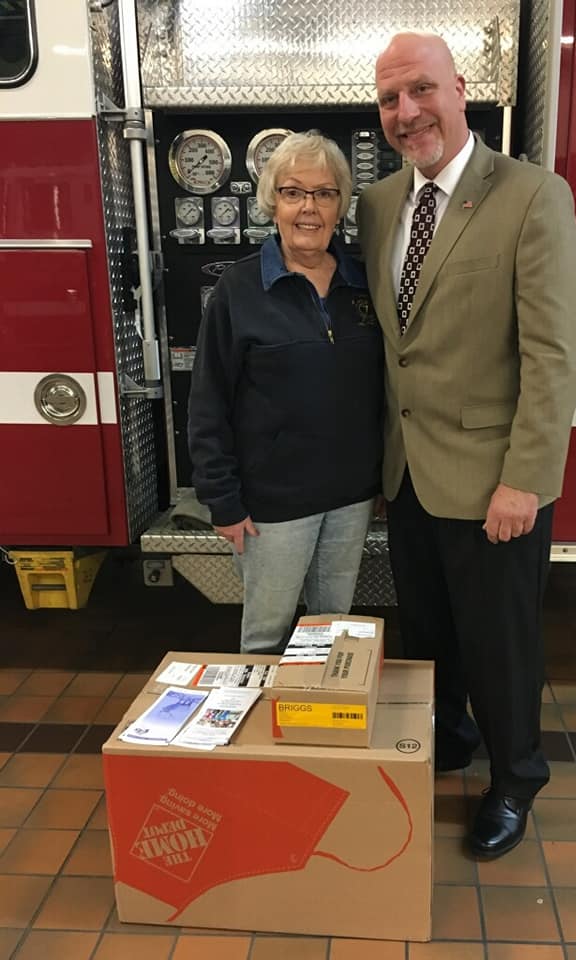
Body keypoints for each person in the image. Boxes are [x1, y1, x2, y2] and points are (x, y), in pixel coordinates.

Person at [357, 32, 576, 859]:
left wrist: (524, 481)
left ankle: (518, 777)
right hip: (411, 475)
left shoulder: (531, 195)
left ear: (461, 91)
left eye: (421, 90)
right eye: (389, 100)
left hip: (495, 482)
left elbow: (554, 356)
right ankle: (449, 737)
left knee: (502, 640)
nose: (407, 112)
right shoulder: (380, 205)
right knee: (428, 631)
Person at [188, 132, 383, 653]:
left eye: (324, 194)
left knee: (331, 632)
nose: (309, 209)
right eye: (294, 192)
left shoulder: (365, 283)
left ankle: (315, 727)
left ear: (341, 204)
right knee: (267, 638)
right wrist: (223, 502)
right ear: (272, 201)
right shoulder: (240, 289)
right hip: (272, 505)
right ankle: (260, 730)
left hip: (350, 498)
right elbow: (208, 404)